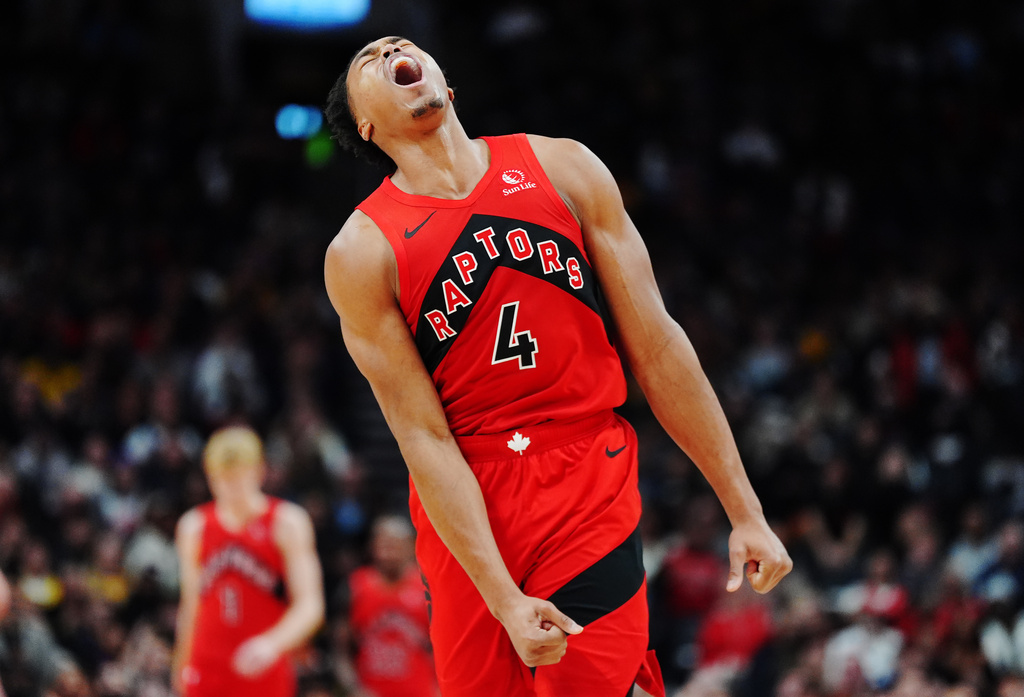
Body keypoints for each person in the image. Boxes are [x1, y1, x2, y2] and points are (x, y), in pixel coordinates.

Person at [323, 36, 792, 697]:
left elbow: (657, 346)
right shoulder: (361, 250)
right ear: (364, 125)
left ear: (446, 83)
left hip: (583, 469)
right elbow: (421, 436)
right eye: (370, 58)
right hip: (470, 491)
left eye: (403, 44)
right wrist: (501, 594)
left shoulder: (563, 167)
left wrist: (744, 509)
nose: (394, 49)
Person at [172, 425, 325, 696]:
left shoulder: (287, 522)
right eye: (223, 479)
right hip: (206, 665)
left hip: (263, 667)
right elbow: (190, 606)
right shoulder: (193, 526)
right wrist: (179, 666)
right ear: (210, 477)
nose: (231, 488)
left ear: (259, 472)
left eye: (239, 478)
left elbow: (310, 605)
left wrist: (272, 643)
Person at [348, 515, 439, 697]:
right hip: (371, 691)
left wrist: (440, 688)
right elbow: (341, 647)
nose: (386, 553)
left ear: (410, 546)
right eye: (382, 546)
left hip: (421, 691)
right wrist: (354, 687)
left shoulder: (427, 586)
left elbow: (444, 645)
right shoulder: (357, 586)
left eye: (393, 546)